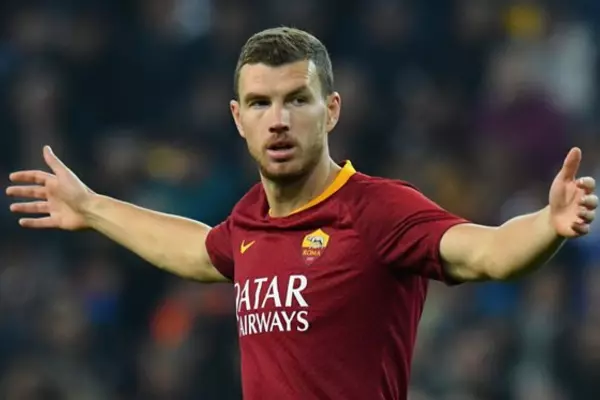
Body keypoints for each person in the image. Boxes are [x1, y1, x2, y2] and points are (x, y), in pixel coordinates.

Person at [5, 27, 598, 400]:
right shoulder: (249, 220)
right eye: (260, 103)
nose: (279, 120)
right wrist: (92, 206)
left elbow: (486, 252)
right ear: (238, 119)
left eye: (297, 100)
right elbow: (196, 251)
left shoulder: (376, 209)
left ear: (331, 110)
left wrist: (547, 226)